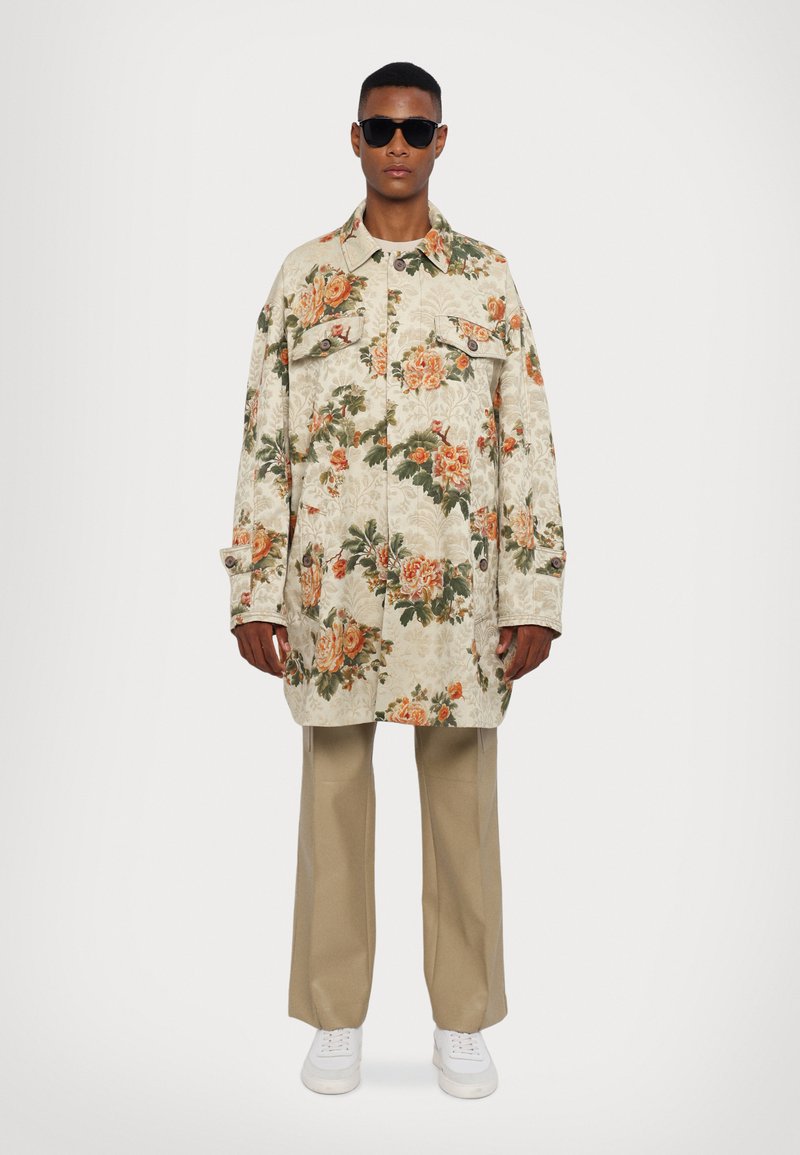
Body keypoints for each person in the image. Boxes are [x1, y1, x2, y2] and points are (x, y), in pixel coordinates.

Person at [218, 61, 567, 1098]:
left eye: (416, 130)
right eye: (381, 129)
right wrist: (255, 589)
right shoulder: (304, 277)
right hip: (333, 594)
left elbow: (526, 440)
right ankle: (335, 1017)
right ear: (356, 139)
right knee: (332, 803)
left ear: (441, 140)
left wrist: (534, 597)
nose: (398, 147)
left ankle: (463, 1019)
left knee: (462, 807)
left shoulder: (486, 277)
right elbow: (263, 439)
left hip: (457, 596)